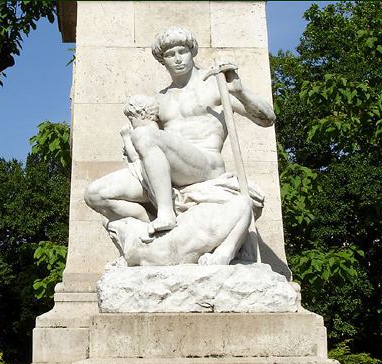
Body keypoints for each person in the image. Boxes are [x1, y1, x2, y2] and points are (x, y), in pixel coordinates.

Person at [84, 26, 275, 237]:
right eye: (170, 54)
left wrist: (241, 91)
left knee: (145, 135)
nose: (177, 59)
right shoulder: (160, 99)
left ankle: (166, 213)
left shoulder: (214, 85)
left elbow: (267, 119)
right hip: (172, 171)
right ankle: (155, 232)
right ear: (162, 60)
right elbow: (146, 148)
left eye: (182, 52)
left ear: (192, 52)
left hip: (206, 164)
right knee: (95, 194)